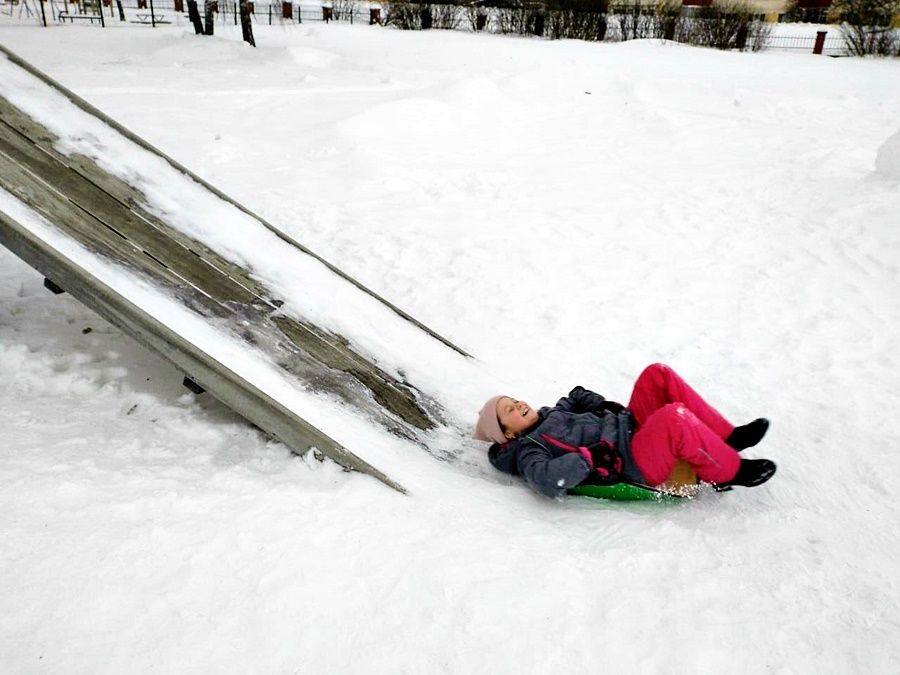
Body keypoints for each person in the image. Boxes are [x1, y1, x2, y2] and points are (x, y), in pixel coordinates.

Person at [473, 363, 776, 499]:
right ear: (508, 434)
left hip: (630, 426)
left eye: (513, 400)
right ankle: (729, 472)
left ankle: (726, 438)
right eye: (508, 411)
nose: (518, 404)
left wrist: (592, 401)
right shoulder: (529, 449)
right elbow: (547, 481)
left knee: (656, 374)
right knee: (673, 418)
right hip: (632, 459)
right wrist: (589, 457)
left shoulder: (551, 414)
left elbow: (573, 399)